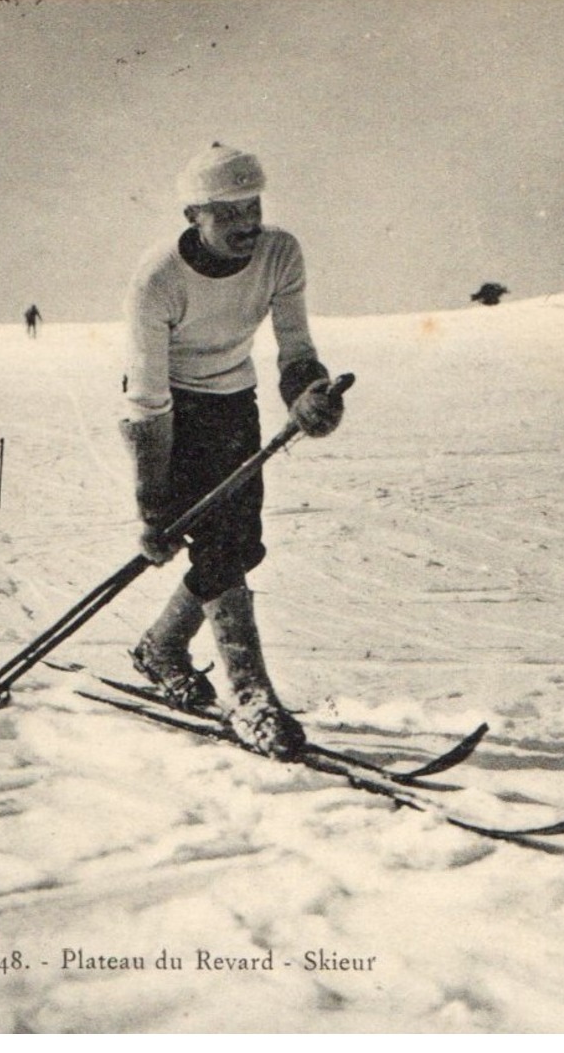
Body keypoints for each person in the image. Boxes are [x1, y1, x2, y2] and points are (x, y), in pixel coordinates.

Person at [117, 142, 345, 761]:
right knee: (218, 548)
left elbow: (295, 348)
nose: (248, 224)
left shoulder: (280, 252)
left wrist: (309, 396)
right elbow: (147, 406)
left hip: (233, 401)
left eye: (254, 207)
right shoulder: (157, 280)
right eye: (229, 213)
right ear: (194, 215)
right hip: (171, 409)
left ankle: (161, 647)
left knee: (241, 544)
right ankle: (250, 695)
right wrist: (153, 507)